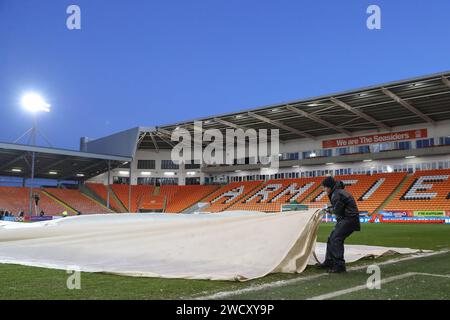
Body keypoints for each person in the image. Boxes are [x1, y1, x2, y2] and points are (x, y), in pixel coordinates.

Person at [318, 176, 361, 273]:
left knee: (336, 239)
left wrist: (328, 210)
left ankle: (339, 265)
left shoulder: (336, 194)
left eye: (324, 187)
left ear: (328, 187)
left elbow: (338, 210)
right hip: (348, 219)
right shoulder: (337, 192)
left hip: (349, 219)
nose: (324, 190)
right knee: (332, 238)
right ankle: (329, 261)